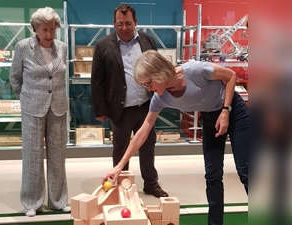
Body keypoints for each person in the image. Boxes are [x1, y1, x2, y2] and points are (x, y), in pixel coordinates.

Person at [103, 50, 248, 225]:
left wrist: (226, 111)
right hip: (210, 117)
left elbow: (231, 76)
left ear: (159, 72)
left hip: (233, 110)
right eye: (144, 85)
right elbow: (142, 132)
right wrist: (119, 166)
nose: (148, 89)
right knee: (212, 175)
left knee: (245, 170)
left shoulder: (195, 70)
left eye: (148, 83)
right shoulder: (160, 98)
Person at [91, 3, 168, 198]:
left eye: (127, 23)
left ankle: (151, 184)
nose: (124, 28)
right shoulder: (102, 45)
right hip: (120, 109)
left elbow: (158, 69)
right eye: (119, 24)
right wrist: (100, 109)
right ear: (114, 24)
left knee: (148, 146)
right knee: (121, 149)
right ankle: (120, 186)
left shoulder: (147, 40)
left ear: (136, 22)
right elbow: (97, 80)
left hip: (147, 106)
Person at [9, 7, 70, 217]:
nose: (49, 34)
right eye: (44, 29)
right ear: (35, 28)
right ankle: (32, 202)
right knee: (32, 155)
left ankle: (58, 200)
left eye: (52, 29)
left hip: (58, 107)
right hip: (32, 107)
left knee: (58, 155)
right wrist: (26, 98)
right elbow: (15, 78)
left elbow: (59, 77)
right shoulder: (23, 47)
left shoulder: (62, 47)